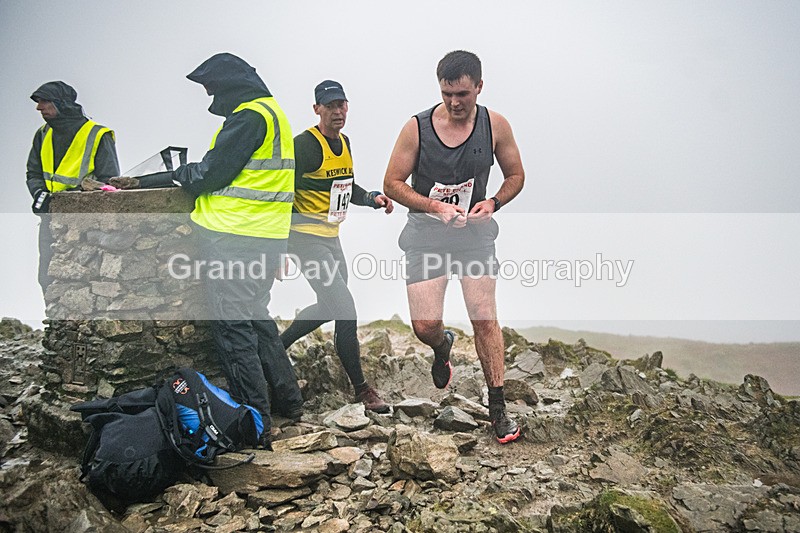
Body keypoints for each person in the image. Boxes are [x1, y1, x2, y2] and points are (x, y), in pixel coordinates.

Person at [383, 50, 525, 443]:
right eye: (447, 93)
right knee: (424, 325)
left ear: (479, 86)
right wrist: (433, 206)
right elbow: (392, 183)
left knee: (484, 317)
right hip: (427, 233)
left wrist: (493, 202)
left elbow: (515, 175)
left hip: (474, 235)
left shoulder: (495, 126)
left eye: (462, 93)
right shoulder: (417, 128)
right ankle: (442, 345)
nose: (454, 102)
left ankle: (498, 408)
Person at [168, 53, 304, 448]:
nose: (211, 97)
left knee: (233, 329)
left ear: (229, 86)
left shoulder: (248, 117)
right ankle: (289, 401)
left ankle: (254, 421)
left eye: (213, 89)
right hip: (267, 234)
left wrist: (181, 172)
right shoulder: (273, 112)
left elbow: (211, 174)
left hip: (233, 235)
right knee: (257, 319)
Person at [280, 81, 393, 413]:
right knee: (345, 309)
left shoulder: (344, 143)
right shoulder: (303, 145)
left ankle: (277, 345)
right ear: (317, 109)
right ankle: (362, 389)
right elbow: (280, 195)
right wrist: (278, 247)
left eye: (342, 104)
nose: (338, 111)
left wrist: (371, 198)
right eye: (330, 106)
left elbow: (343, 187)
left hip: (331, 238)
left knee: (330, 305)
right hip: (303, 241)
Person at [26, 81, 119, 293]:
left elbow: (109, 182)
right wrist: (39, 194)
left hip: (87, 223)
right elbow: (33, 173)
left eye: (44, 101)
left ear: (61, 103)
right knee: (48, 277)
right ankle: (56, 324)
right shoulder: (42, 134)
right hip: (51, 218)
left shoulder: (97, 134)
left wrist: (77, 195)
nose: (39, 107)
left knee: (88, 279)